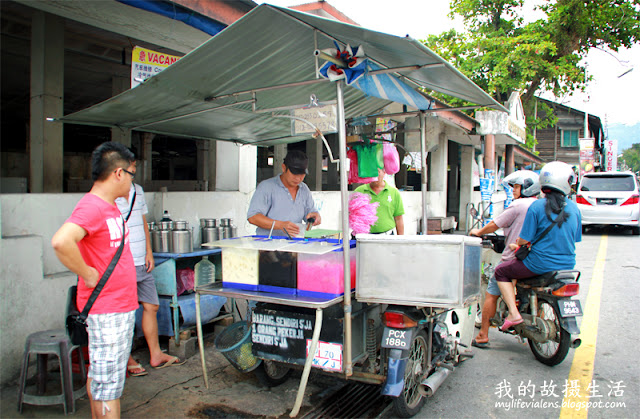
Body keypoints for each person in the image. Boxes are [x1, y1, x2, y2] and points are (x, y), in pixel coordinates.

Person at [51, 141, 138, 418]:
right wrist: (88, 274)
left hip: (117, 307)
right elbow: (61, 242)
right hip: (107, 310)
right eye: (133, 173)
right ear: (119, 174)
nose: (133, 181)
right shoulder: (92, 206)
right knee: (108, 389)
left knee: (102, 382)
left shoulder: (109, 206)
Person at [494, 161, 582, 331]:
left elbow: (523, 240)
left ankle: (513, 313)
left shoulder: (537, 207)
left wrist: (516, 245)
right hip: (567, 266)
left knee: (501, 271)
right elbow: (575, 239)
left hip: (538, 265)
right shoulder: (575, 209)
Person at [116, 182, 186, 376]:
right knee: (125, 313)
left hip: (142, 260)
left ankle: (155, 354)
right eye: (129, 168)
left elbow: (142, 222)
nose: (132, 171)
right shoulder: (110, 191)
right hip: (122, 261)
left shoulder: (137, 190)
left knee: (151, 306)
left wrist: (149, 252)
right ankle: (126, 357)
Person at [469, 170, 540, 348]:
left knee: (491, 294)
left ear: (527, 189)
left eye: (517, 187)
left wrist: (478, 231)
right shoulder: (541, 206)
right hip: (537, 259)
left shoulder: (518, 206)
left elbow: (495, 224)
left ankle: (483, 335)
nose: (514, 190)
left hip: (514, 258)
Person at [248, 150, 321, 237]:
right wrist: (280, 225)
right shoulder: (267, 187)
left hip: (295, 245)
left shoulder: (304, 189)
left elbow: (311, 213)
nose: (298, 178)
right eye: (294, 173)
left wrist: (315, 217)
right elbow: (253, 217)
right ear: (283, 168)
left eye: (302, 174)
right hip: (268, 246)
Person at [354, 168, 405, 234]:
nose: (374, 175)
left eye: (377, 172)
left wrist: (400, 240)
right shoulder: (359, 191)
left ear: (384, 173)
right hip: (365, 237)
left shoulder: (394, 192)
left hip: (387, 237)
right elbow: (353, 216)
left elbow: (398, 218)